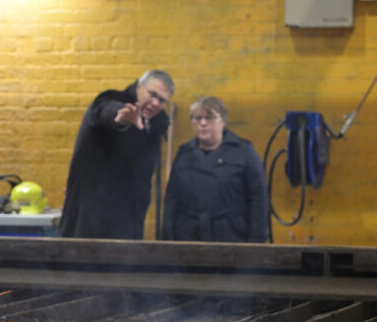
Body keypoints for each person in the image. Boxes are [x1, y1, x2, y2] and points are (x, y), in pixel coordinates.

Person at [60, 70, 175, 239]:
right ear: (138, 87)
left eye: (162, 100)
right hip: (92, 221)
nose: (156, 103)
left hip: (130, 221)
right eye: (152, 94)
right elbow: (105, 112)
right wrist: (121, 118)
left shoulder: (156, 123)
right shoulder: (110, 101)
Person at [162, 96, 267, 242]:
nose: (203, 123)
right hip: (188, 236)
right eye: (197, 118)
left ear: (223, 121)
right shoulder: (183, 154)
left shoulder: (244, 152)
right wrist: (167, 240)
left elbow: (259, 200)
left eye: (210, 118)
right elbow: (171, 201)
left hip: (232, 236)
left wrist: (256, 245)